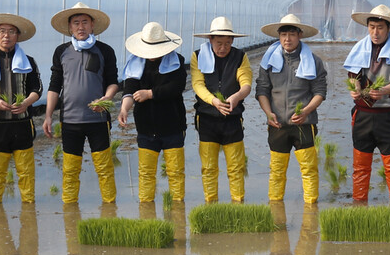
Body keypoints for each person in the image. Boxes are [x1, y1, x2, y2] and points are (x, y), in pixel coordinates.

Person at [42, 2, 119, 204]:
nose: (80, 27)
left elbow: (113, 82)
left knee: (104, 167)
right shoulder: (62, 52)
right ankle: (69, 209)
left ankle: (110, 207)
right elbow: (54, 85)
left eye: (85, 22)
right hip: (70, 120)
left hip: (98, 119)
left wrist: (107, 99)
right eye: (76, 23)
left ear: (93, 25)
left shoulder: (105, 51)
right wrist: (48, 115)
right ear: (69, 28)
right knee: (70, 168)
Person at [255, 14, 327, 204]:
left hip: (304, 124)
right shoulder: (268, 61)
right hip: (277, 124)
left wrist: (306, 111)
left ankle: (311, 209)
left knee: (309, 169)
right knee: (277, 171)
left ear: (300, 35)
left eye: (292, 34)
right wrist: (268, 113)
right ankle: (275, 208)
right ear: (279, 36)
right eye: (284, 34)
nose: (287, 39)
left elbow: (319, 91)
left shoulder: (313, 61)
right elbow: (262, 90)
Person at [343, 5, 390, 205]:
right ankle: (359, 203)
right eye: (372, 27)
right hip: (362, 115)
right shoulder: (359, 49)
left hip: (389, 116)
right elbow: (353, 75)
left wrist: (383, 91)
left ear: (388, 28)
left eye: (380, 27)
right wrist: (354, 88)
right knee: (361, 165)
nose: (375, 32)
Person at [0, 13, 42, 204]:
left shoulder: (28, 61)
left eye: (11, 31)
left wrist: (27, 102)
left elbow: (37, 88)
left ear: (17, 36)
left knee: (26, 173)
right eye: (2, 31)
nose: (6, 35)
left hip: (22, 124)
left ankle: (28, 214)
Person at [118, 22, 187, 203]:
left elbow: (177, 87)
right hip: (146, 126)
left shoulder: (176, 61)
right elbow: (129, 89)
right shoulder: (135, 63)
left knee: (175, 171)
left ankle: (178, 208)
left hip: (173, 125)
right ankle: (146, 208)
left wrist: (150, 93)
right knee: (146, 172)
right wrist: (125, 108)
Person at [190, 16, 252, 203]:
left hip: (232, 119)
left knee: (236, 166)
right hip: (207, 119)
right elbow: (198, 84)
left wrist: (236, 97)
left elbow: (246, 83)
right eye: (218, 43)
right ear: (210, 40)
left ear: (232, 41)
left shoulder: (240, 57)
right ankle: (211, 203)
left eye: (227, 43)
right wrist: (213, 101)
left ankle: (238, 202)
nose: (223, 48)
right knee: (208, 167)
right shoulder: (197, 56)